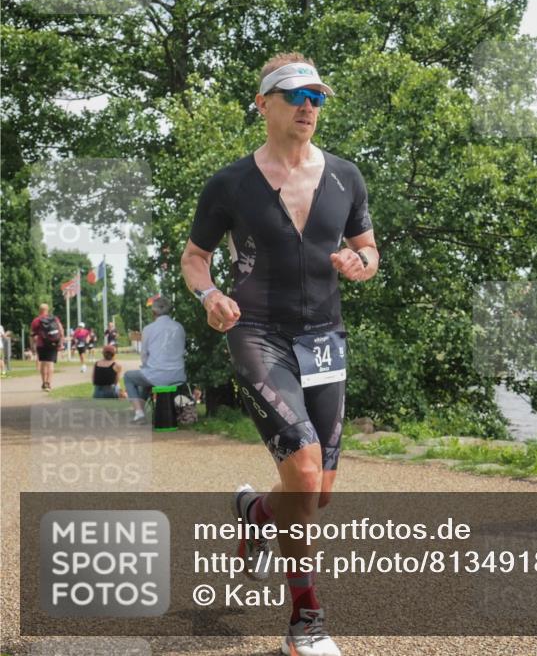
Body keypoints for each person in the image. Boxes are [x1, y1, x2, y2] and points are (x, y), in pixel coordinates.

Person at [181, 52, 378, 656]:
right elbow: (195, 260)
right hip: (257, 332)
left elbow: (370, 255)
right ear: (263, 103)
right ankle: (306, 617)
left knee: (317, 495)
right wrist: (210, 294)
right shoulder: (231, 183)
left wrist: (358, 263)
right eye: (294, 96)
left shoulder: (346, 177)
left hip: (325, 338)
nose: (307, 107)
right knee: (305, 471)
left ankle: (254, 512)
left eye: (316, 98)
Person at [123, 297, 187, 424]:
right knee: (148, 378)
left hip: (157, 375)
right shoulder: (179, 327)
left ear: (153, 313)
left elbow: (144, 355)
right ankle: (140, 413)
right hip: (179, 375)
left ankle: (139, 413)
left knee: (129, 377)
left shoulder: (148, 329)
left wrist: (147, 367)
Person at [30, 303, 64, 391]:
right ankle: (49, 384)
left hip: (41, 344)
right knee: (50, 364)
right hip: (53, 343)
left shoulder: (36, 320)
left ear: (39, 310)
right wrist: (61, 343)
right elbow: (61, 330)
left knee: (43, 363)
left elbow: (32, 335)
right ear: (48, 310)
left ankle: (44, 383)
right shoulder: (54, 319)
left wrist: (32, 346)